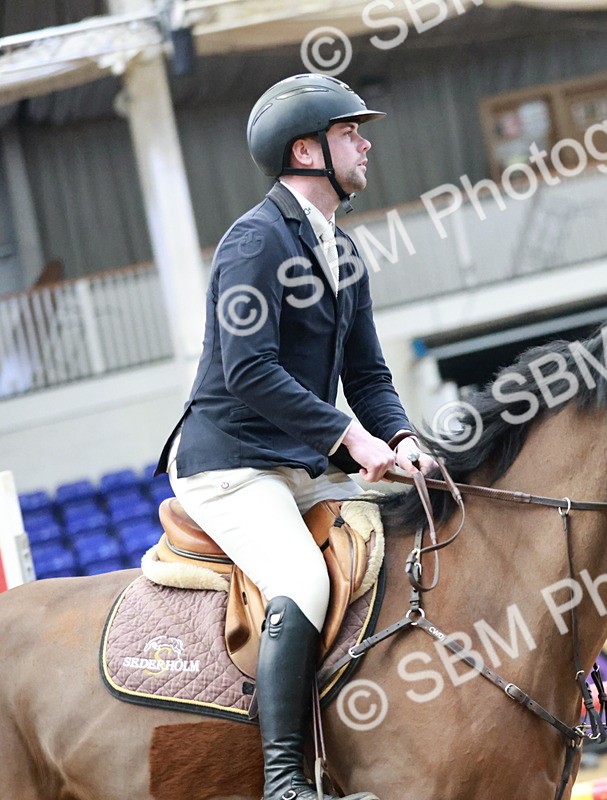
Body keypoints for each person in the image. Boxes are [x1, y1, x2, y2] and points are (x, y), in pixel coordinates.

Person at [156, 73, 434, 800]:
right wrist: (351, 439)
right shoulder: (254, 242)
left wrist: (400, 437)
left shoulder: (343, 253)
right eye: (350, 133)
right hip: (230, 464)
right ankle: (284, 779)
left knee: (407, 539)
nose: (365, 144)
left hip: (297, 463)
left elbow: (368, 375)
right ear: (306, 151)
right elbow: (248, 371)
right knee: (302, 579)